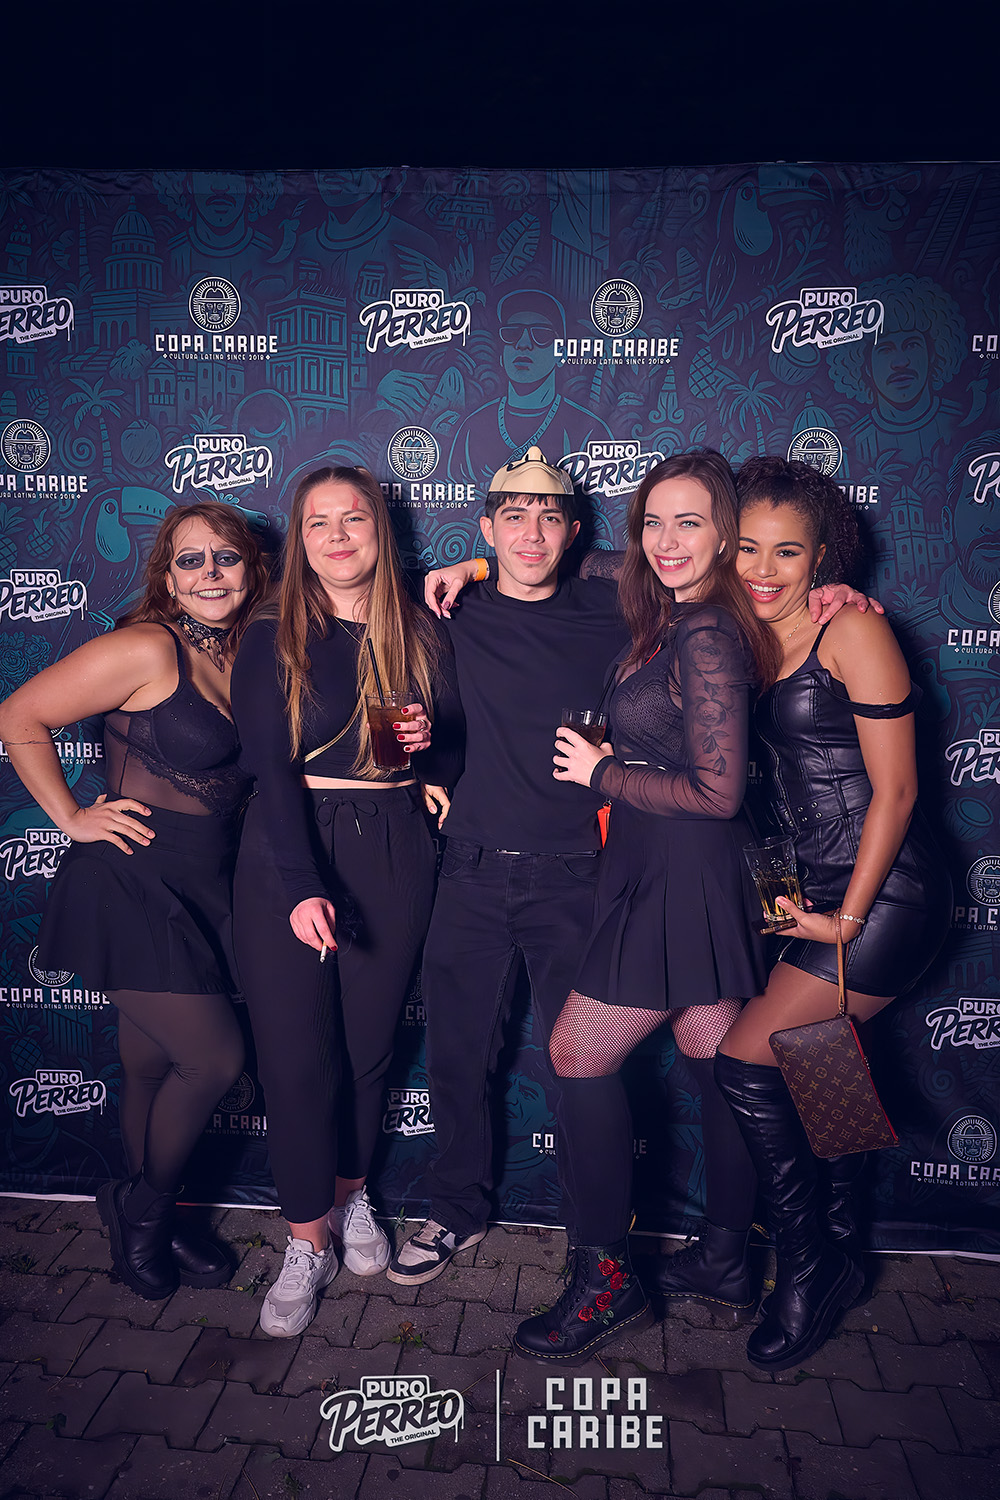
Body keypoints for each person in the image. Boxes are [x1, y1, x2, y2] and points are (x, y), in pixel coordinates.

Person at [510, 450, 782, 1362]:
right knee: (715, 1059)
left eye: (689, 523)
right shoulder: (668, 605)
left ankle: (607, 1282)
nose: (666, 541)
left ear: (727, 536)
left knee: (576, 1052)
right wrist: (475, 564)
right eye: (652, 522)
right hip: (666, 866)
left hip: (683, 872)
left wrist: (602, 773)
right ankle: (729, 1259)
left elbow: (717, 791)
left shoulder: (707, 632)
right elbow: (594, 561)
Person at [712, 455, 952, 1371]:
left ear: (823, 559)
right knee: (819, 1060)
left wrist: (846, 921)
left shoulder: (851, 629)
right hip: (812, 891)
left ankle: (808, 1269)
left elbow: (896, 793)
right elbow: (638, 568)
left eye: (787, 551)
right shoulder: (741, 632)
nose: (763, 568)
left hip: (887, 897)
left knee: (748, 1060)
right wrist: (480, 565)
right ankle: (847, 1244)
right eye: (747, 547)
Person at [0, 501, 270, 1300]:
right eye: (191, 560)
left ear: (252, 569)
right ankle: (141, 1211)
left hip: (206, 884)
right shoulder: (149, 647)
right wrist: (70, 816)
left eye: (226, 556)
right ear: (168, 579)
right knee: (213, 1059)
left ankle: (160, 1209)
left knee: (150, 1060)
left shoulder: (250, 651)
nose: (211, 572)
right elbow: (19, 715)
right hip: (130, 879)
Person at [387, 447, 631, 1290]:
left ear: (574, 532)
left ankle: (596, 1248)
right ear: (485, 527)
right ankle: (455, 1208)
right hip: (471, 869)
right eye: (513, 518)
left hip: (578, 873)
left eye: (550, 518)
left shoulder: (612, 607)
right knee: (457, 1058)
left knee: (584, 1069)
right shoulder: (449, 610)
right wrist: (475, 571)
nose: (533, 534)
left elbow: (691, 565)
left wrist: (835, 596)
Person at [231, 465, 461, 1338]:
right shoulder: (274, 630)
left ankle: (349, 1196)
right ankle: (305, 1243)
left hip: (395, 842)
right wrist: (300, 887)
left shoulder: (421, 626)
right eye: (318, 521)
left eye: (353, 518)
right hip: (291, 848)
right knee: (296, 1064)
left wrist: (430, 754)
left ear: (380, 531)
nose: (336, 535)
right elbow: (269, 770)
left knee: (368, 1053)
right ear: (300, 538)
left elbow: (450, 755)